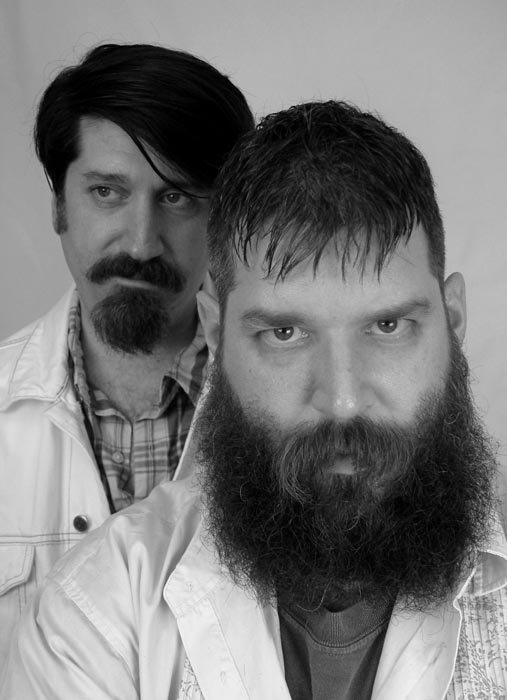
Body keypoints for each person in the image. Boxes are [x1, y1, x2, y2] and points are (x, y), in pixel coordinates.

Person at [2, 101, 507, 699]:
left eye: (387, 327)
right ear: (216, 332)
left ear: (452, 321)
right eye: (284, 333)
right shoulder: (94, 614)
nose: (342, 400)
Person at [0, 42, 254, 666]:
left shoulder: (291, 410)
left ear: (224, 220)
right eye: (107, 191)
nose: (141, 244)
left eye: (178, 197)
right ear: (59, 205)